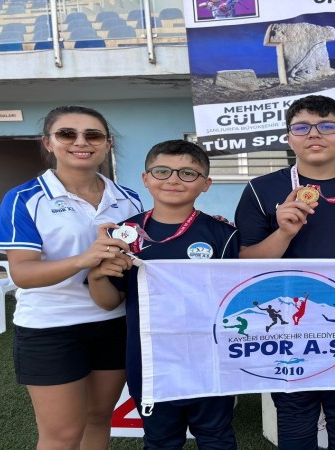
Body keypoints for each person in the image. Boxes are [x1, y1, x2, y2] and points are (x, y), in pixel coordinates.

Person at [234, 94, 335, 449]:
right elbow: (245, 261)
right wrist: (284, 232)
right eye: (302, 127)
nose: (314, 134)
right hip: (287, 323)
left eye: (326, 126)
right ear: (288, 138)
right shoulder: (261, 189)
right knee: (294, 413)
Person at [0, 105, 143, 449]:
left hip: (114, 322)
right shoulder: (24, 198)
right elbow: (23, 273)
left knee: (99, 419)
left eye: (93, 135)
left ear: (107, 144)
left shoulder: (129, 198)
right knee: (62, 436)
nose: (81, 142)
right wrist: (84, 260)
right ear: (48, 142)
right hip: (51, 327)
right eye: (67, 134)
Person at [87, 139, 240, 449]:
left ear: (206, 184)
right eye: (162, 171)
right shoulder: (123, 235)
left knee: (217, 438)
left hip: (209, 360)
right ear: (145, 179)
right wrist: (97, 275)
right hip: (151, 363)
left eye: (188, 173)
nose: (173, 179)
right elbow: (109, 302)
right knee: (160, 441)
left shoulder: (224, 235)